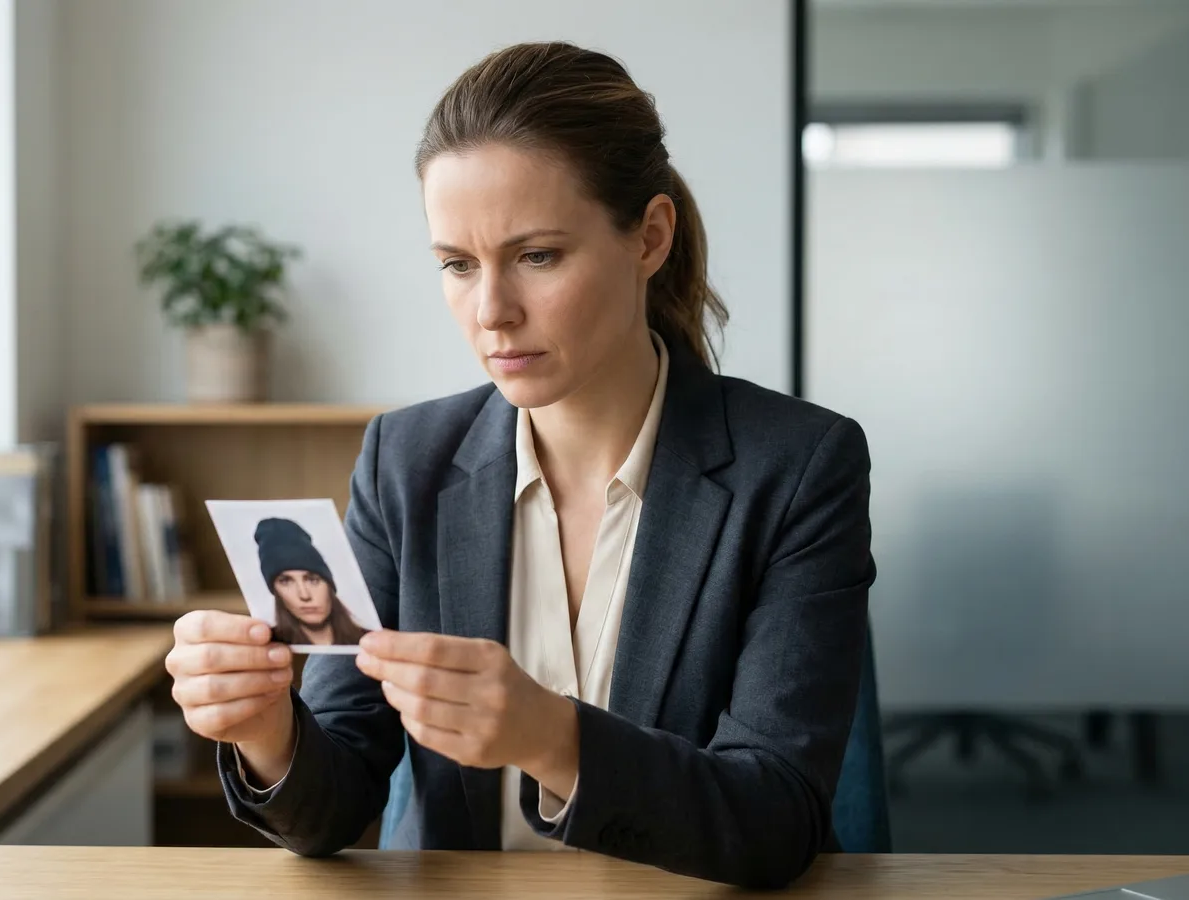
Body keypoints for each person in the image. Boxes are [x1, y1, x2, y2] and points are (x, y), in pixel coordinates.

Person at [164, 41, 874, 888]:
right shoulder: (404, 464)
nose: (491, 312)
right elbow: (333, 802)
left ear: (649, 237)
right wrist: (266, 731)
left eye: (537, 256)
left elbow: (777, 819)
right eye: (458, 266)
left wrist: (551, 738)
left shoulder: (796, 467)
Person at [254, 517, 368, 647]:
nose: (304, 595)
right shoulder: (267, 645)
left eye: (312, 580)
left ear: (328, 583)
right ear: (275, 590)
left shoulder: (370, 641)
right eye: (286, 581)